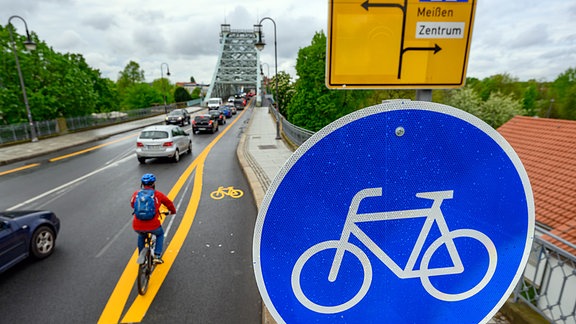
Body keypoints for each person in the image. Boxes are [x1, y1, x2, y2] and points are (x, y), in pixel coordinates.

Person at [130, 173, 176, 264]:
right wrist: (172, 212)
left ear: (142, 184)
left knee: (141, 235)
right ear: (153, 184)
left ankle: (141, 255)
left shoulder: (136, 194)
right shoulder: (158, 195)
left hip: (137, 225)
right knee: (160, 234)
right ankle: (157, 256)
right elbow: (169, 204)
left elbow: (132, 205)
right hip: (153, 224)